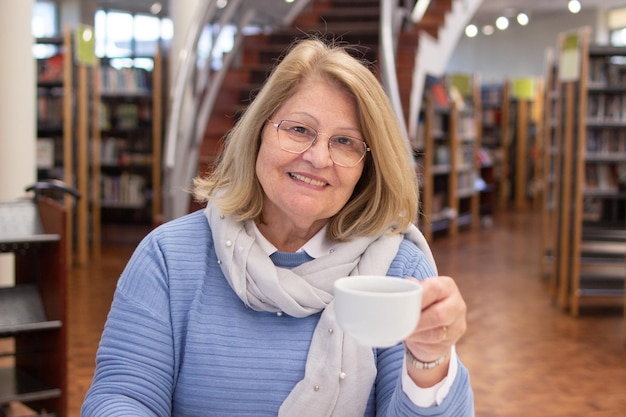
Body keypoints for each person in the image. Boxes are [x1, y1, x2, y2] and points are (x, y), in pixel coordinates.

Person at [81, 37, 474, 416]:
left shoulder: (399, 272)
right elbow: (120, 396)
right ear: (259, 133)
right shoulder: (168, 258)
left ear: (366, 168)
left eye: (345, 142)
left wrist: (431, 359)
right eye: (299, 130)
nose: (318, 157)